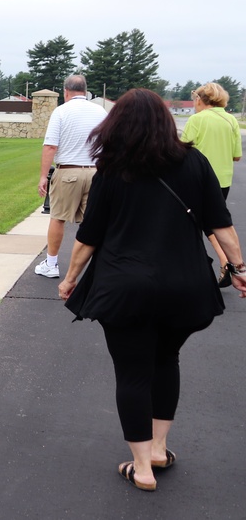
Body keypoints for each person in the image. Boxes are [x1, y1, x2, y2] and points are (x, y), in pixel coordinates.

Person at [58, 89, 246, 493]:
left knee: (132, 373)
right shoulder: (194, 163)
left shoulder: (111, 169)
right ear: (166, 122)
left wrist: (70, 278)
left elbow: (90, 237)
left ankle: (142, 467)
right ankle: (160, 448)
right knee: (166, 360)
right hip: (184, 285)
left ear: (117, 125)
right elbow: (221, 224)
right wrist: (239, 268)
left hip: (125, 287)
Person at [34, 75, 107, 278]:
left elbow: (50, 146)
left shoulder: (61, 111)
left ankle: (51, 263)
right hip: (95, 171)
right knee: (93, 220)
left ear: (66, 91)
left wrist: (43, 177)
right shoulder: (100, 111)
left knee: (58, 217)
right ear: (86, 91)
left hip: (68, 170)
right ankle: (98, 264)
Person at [181, 82, 243, 285]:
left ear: (199, 99)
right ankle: (227, 263)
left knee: (194, 224)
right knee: (215, 222)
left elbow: (183, 152)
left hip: (198, 179)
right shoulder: (231, 120)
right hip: (223, 180)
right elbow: (236, 155)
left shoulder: (196, 120)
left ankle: (219, 263)